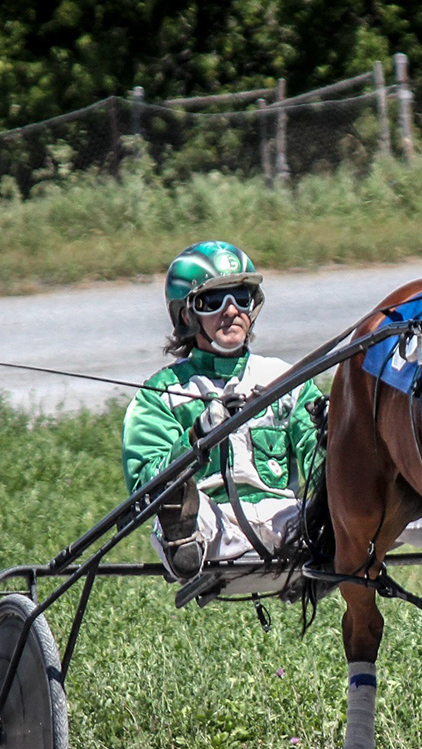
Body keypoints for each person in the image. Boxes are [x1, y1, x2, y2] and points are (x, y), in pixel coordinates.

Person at [123, 242, 323, 578]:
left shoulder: (287, 382)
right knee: (179, 506)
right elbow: (144, 485)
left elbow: (318, 464)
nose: (231, 311)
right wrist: (197, 436)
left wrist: (334, 435)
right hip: (210, 527)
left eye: (240, 298)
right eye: (213, 301)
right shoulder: (161, 394)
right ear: (187, 315)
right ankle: (182, 539)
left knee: (335, 507)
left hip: (286, 523)